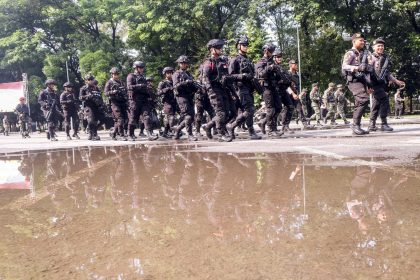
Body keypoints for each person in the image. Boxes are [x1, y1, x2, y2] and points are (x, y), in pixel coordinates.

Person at [227, 35, 261, 140]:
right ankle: (249, 131)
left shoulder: (248, 60)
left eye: (247, 45)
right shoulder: (235, 60)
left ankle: (232, 127)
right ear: (238, 46)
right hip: (241, 88)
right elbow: (230, 76)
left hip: (249, 88)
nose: (246, 47)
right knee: (249, 109)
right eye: (243, 45)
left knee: (248, 110)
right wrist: (242, 76)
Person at [368, 37, 405, 132]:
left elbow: (387, 73)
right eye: (378, 46)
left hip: (381, 84)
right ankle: (383, 124)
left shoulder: (384, 58)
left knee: (376, 104)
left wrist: (396, 81)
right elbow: (366, 72)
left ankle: (371, 125)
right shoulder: (370, 57)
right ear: (373, 47)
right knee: (385, 99)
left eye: (382, 46)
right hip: (373, 84)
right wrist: (367, 85)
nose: (381, 47)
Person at [341, 33, 373, 135]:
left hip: (362, 80)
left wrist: (369, 85)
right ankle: (355, 125)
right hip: (354, 80)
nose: (363, 42)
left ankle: (356, 125)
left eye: (364, 40)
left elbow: (367, 70)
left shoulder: (364, 53)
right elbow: (344, 66)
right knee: (363, 99)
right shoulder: (350, 53)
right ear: (354, 41)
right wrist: (356, 68)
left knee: (360, 102)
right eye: (361, 40)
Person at [202, 39, 233, 142]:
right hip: (214, 90)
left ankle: (208, 126)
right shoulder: (208, 63)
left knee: (227, 113)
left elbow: (227, 76)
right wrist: (210, 92)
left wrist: (233, 92)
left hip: (224, 89)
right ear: (212, 49)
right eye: (218, 47)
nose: (220, 49)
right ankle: (220, 133)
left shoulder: (222, 61)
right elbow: (205, 78)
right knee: (220, 114)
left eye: (221, 47)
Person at [255, 43, 284, 137]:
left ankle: (264, 123)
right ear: (266, 51)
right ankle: (271, 130)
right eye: (271, 51)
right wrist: (269, 67)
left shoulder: (272, 62)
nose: (272, 54)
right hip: (266, 88)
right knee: (270, 109)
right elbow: (260, 74)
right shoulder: (260, 62)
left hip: (274, 87)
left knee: (279, 107)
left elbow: (277, 75)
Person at [126, 61, 158, 141]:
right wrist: (140, 86)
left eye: (142, 68)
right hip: (135, 100)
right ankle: (130, 134)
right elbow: (129, 87)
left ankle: (149, 134)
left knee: (147, 116)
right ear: (136, 68)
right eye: (140, 68)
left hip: (144, 100)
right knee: (133, 118)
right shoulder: (131, 76)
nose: (142, 69)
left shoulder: (143, 77)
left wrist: (148, 88)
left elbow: (146, 87)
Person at [172, 55, 199, 141]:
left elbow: (193, 86)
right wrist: (185, 82)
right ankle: (190, 135)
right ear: (179, 64)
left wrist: (197, 87)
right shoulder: (176, 74)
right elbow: (175, 86)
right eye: (182, 63)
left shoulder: (188, 74)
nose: (184, 64)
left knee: (191, 116)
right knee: (188, 116)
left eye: (185, 63)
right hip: (181, 96)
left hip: (189, 96)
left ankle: (177, 129)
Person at [79, 74, 106, 141]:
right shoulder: (83, 88)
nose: (91, 81)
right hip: (89, 107)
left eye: (92, 79)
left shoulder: (96, 88)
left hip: (97, 106)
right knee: (91, 121)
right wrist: (88, 96)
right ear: (86, 81)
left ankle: (92, 132)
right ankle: (94, 134)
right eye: (89, 80)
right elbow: (80, 98)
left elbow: (100, 97)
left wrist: (102, 104)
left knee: (103, 119)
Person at [104, 67, 128, 141]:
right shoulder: (109, 82)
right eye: (115, 74)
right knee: (120, 119)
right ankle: (121, 135)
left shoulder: (121, 82)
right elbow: (105, 93)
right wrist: (113, 92)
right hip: (114, 103)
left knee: (124, 119)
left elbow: (126, 91)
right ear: (112, 74)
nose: (116, 75)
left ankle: (114, 133)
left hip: (122, 102)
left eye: (117, 74)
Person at [157, 67, 177, 138]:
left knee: (171, 117)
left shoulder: (174, 82)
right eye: (168, 73)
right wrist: (166, 89)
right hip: (167, 102)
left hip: (174, 101)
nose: (170, 74)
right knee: (170, 117)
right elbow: (158, 93)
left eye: (171, 73)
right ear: (165, 74)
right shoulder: (162, 83)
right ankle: (173, 130)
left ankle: (165, 132)